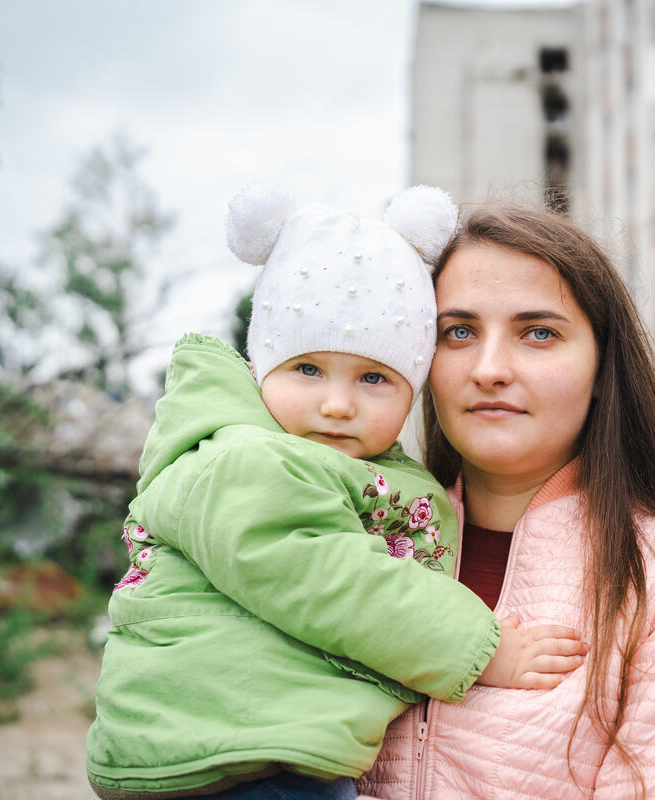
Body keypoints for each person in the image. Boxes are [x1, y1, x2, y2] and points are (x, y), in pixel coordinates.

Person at [85, 186, 587, 800]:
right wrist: (480, 649)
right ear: (261, 365)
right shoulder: (243, 459)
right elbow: (334, 580)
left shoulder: (339, 463)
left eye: (374, 377)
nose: (337, 404)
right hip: (231, 754)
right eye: (307, 369)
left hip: (262, 748)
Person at [358, 204, 655, 799]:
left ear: (601, 368)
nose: (489, 369)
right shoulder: (351, 544)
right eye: (457, 332)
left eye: (538, 333)